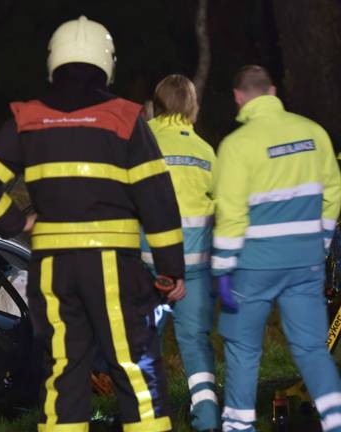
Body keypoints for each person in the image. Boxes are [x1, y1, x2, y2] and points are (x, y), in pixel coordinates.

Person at [0, 16, 185, 432]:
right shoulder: (124, 118)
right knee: (132, 363)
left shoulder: (30, 118)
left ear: (54, 60)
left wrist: (15, 220)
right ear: (107, 62)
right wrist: (172, 268)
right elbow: (157, 198)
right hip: (112, 267)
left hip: (52, 268)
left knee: (64, 372)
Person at [213, 65, 341, 432]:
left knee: (243, 348)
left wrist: (223, 270)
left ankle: (239, 426)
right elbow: (333, 191)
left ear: (239, 97)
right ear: (272, 91)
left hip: (254, 265)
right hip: (305, 261)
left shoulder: (237, 146)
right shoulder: (313, 133)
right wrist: (322, 240)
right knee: (313, 349)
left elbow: (231, 215)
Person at [142, 74, 219, 431]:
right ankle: (206, 417)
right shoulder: (205, 152)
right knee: (196, 345)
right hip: (195, 270)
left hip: (149, 268)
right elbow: (222, 209)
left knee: (144, 345)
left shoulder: (142, 143)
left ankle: (150, 419)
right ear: (191, 107)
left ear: (156, 107)